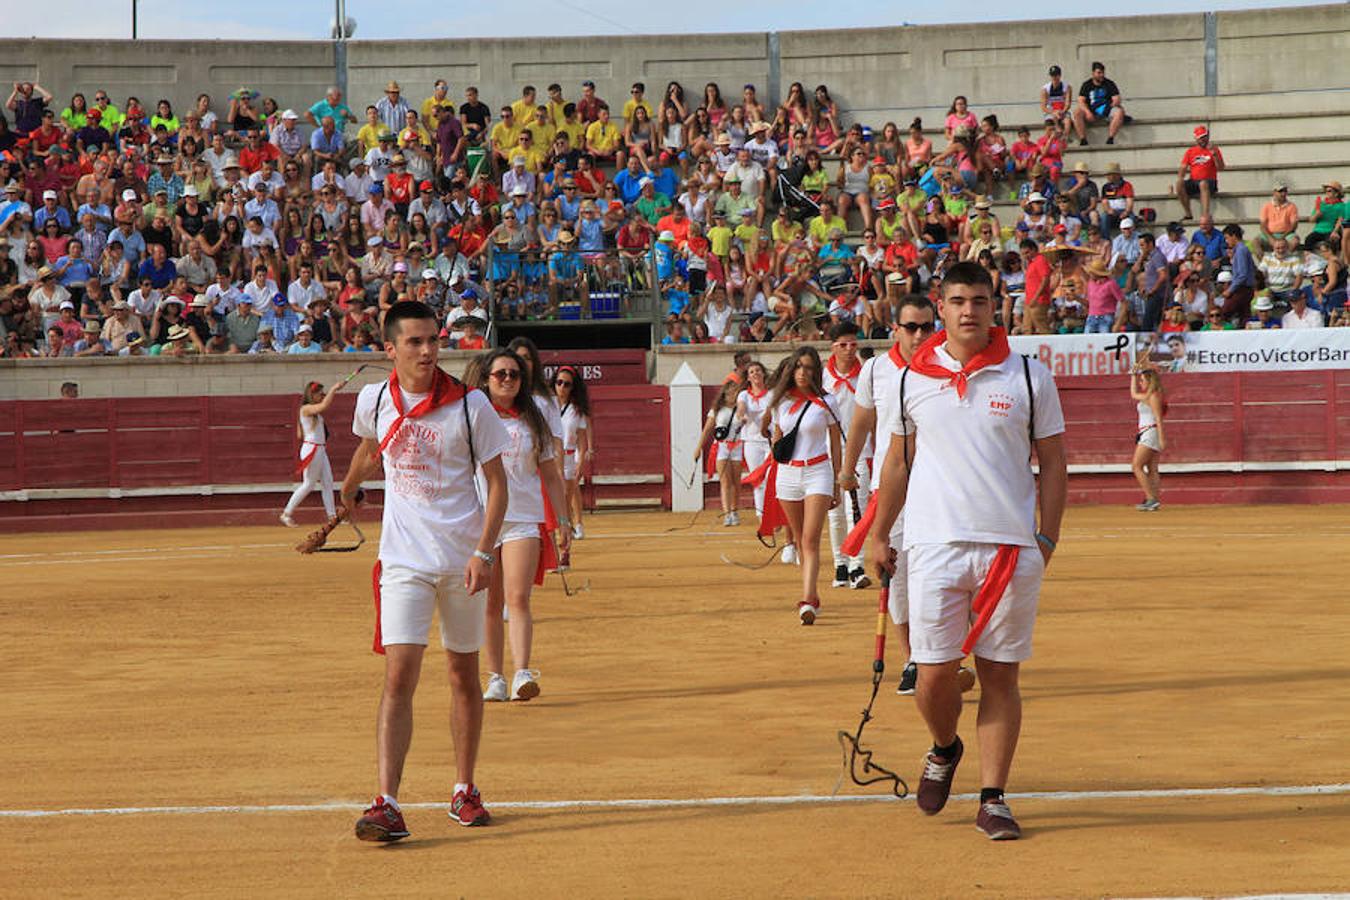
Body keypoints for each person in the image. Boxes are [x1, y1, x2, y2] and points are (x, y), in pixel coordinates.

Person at [868, 261, 1066, 841]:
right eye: (958, 301)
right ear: (941, 304)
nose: (968, 311)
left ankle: (994, 795)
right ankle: (944, 745)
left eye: (979, 300)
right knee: (933, 677)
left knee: (1000, 675)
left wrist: (1047, 535)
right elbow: (898, 461)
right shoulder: (910, 377)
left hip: (1008, 545)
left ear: (993, 305)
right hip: (932, 543)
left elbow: (1053, 462)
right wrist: (880, 533)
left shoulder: (1028, 375)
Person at [341, 300, 510, 843]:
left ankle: (465, 788)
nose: (428, 350)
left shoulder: (470, 404)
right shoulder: (373, 400)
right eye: (414, 342)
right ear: (390, 349)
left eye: (432, 340)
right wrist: (347, 488)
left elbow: (498, 484)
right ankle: (387, 801)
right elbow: (371, 449)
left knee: (464, 675)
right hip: (404, 561)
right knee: (399, 676)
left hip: (462, 561)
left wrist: (484, 552)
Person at [838, 294, 937, 694]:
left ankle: (938, 653)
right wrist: (846, 470)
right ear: (895, 329)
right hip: (890, 485)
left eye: (926, 327)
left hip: (937, 486)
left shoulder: (945, 367)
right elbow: (860, 422)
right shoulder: (877, 369)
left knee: (936, 572)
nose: (918, 335)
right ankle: (912, 657)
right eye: (910, 327)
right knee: (895, 576)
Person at [468, 349, 570, 704]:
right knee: (490, 602)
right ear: (486, 379)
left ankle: (521, 671)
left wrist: (563, 519)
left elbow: (551, 474)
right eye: (501, 374)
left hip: (524, 516)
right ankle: (495, 677)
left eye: (514, 374)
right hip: (481, 520)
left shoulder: (534, 417)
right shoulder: (473, 418)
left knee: (518, 598)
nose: (509, 379)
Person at [766, 347, 843, 624]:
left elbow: (835, 443)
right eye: (798, 367)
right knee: (799, 540)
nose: (802, 373)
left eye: (808, 368)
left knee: (810, 539)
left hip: (818, 471)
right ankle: (811, 594)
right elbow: (776, 438)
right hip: (787, 474)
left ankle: (808, 599)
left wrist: (837, 480)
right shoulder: (780, 402)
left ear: (815, 372)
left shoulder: (828, 402)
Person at [820, 323, 870, 591]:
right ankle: (840, 563)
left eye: (853, 344)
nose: (849, 350)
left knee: (857, 509)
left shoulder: (865, 376)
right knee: (835, 512)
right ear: (833, 347)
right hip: (828, 452)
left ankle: (857, 564)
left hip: (859, 449)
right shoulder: (822, 379)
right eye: (843, 345)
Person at [280, 377, 351, 526]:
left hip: (319, 449)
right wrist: (334, 389)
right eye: (320, 394)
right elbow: (324, 406)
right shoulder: (305, 409)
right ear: (312, 396)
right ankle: (287, 513)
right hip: (312, 448)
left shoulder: (313, 412)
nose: (322, 396)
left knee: (328, 482)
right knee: (309, 484)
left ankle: (332, 516)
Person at [695, 378, 747, 527]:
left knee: (736, 481)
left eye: (734, 393)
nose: (732, 396)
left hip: (737, 445)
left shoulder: (742, 408)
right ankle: (727, 513)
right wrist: (698, 447)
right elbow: (707, 430)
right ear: (724, 395)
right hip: (721, 446)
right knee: (725, 481)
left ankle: (734, 510)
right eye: (729, 393)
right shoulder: (717, 410)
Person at [554, 365, 592, 542]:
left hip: (569, 458)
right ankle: (567, 530)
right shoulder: (546, 405)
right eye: (559, 382)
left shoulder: (577, 410)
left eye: (566, 384)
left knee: (566, 496)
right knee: (558, 499)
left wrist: (580, 462)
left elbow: (582, 439)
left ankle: (570, 529)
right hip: (551, 459)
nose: (562, 387)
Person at [734, 361, 773, 521]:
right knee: (757, 479)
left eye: (758, 370)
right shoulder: (744, 395)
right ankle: (761, 514)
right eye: (751, 372)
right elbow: (741, 408)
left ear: (763, 374)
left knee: (772, 477)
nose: (755, 374)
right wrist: (742, 416)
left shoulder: (771, 393)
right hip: (752, 441)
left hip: (770, 440)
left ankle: (772, 512)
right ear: (748, 378)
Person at [1129, 366, 1167, 512]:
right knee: (1151, 468)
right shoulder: (1150, 395)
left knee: (1136, 466)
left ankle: (1151, 498)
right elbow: (1133, 394)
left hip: (1150, 432)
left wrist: (1162, 438)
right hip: (1149, 432)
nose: (1141, 383)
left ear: (1150, 381)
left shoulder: (1153, 396)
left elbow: (1158, 418)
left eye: (1143, 380)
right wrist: (1133, 375)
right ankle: (1154, 499)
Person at [1176, 126, 1224, 221]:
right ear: (1196, 139)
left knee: (1203, 184)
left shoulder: (1214, 149)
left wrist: (1214, 155)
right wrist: (1180, 178)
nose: (1203, 140)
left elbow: (1221, 168)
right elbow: (1183, 168)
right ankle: (1188, 213)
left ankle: (1205, 215)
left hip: (1210, 182)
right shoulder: (1190, 151)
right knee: (1179, 183)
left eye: (1204, 137)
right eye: (1201, 137)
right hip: (1194, 181)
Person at [1072, 61, 1126, 146]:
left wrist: (1109, 107)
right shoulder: (1087, 85)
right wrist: (1087, 112)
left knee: (1119, 112)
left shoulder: (1109, 83)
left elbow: (1117, 99)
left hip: (1106, 110)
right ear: (1093, 73)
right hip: (1091, 111)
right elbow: (1081, 101)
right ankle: (1083, 139)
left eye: (1102, 73)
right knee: (1077, 112)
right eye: (1099, 73)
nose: (1101, 75)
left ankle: (1110, 139)